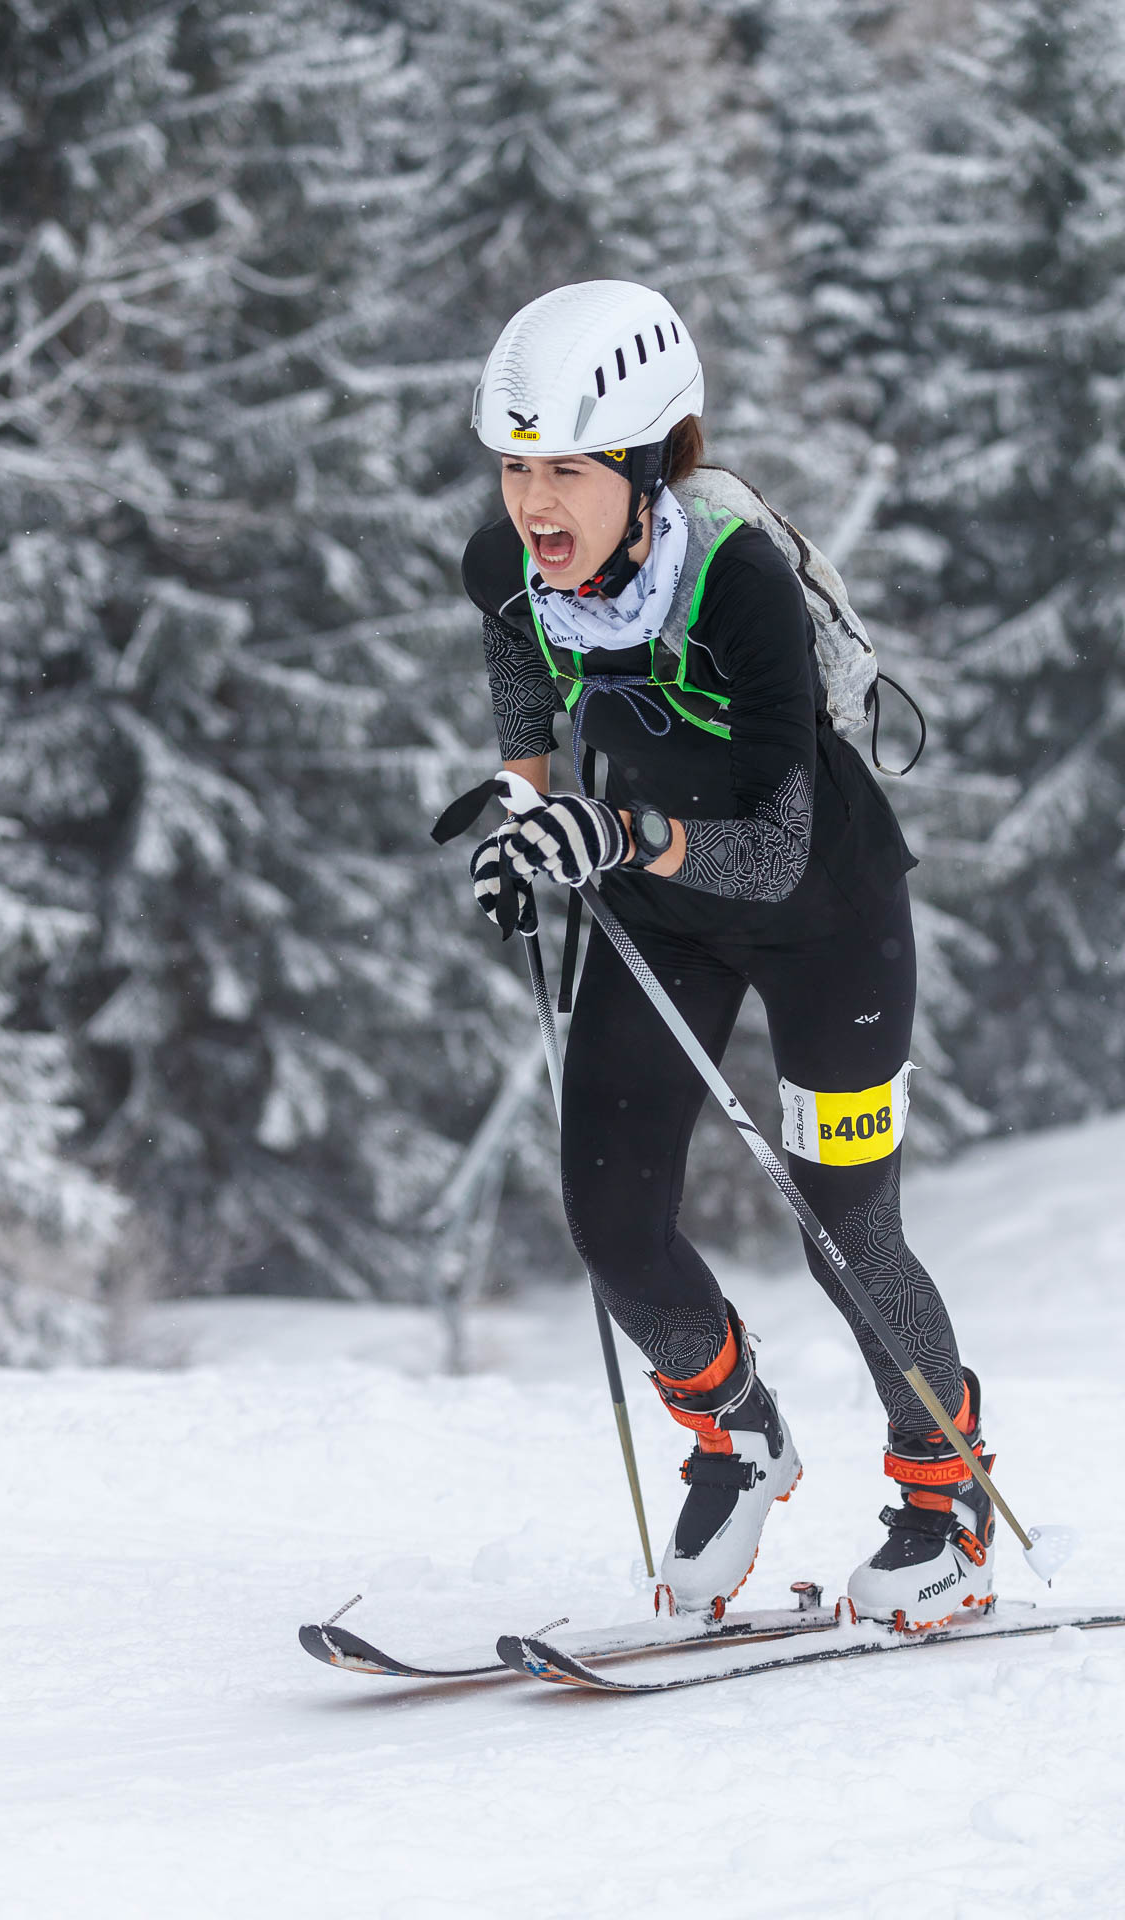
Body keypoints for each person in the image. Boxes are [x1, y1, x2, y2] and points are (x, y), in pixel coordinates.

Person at [459, 280, 995, 1627]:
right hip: (655, 907)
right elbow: (529, 733)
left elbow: (773, 850)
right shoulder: (516, 576)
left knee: (844, 1224)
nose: (535, 504)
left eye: (568, 469)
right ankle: (739, 1437)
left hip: (829, 916)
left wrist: (616, 834)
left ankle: (949, 1501)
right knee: (610, 1218)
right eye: (518, 467)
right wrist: (521, 829)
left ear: (647, 467)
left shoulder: (738, 591)